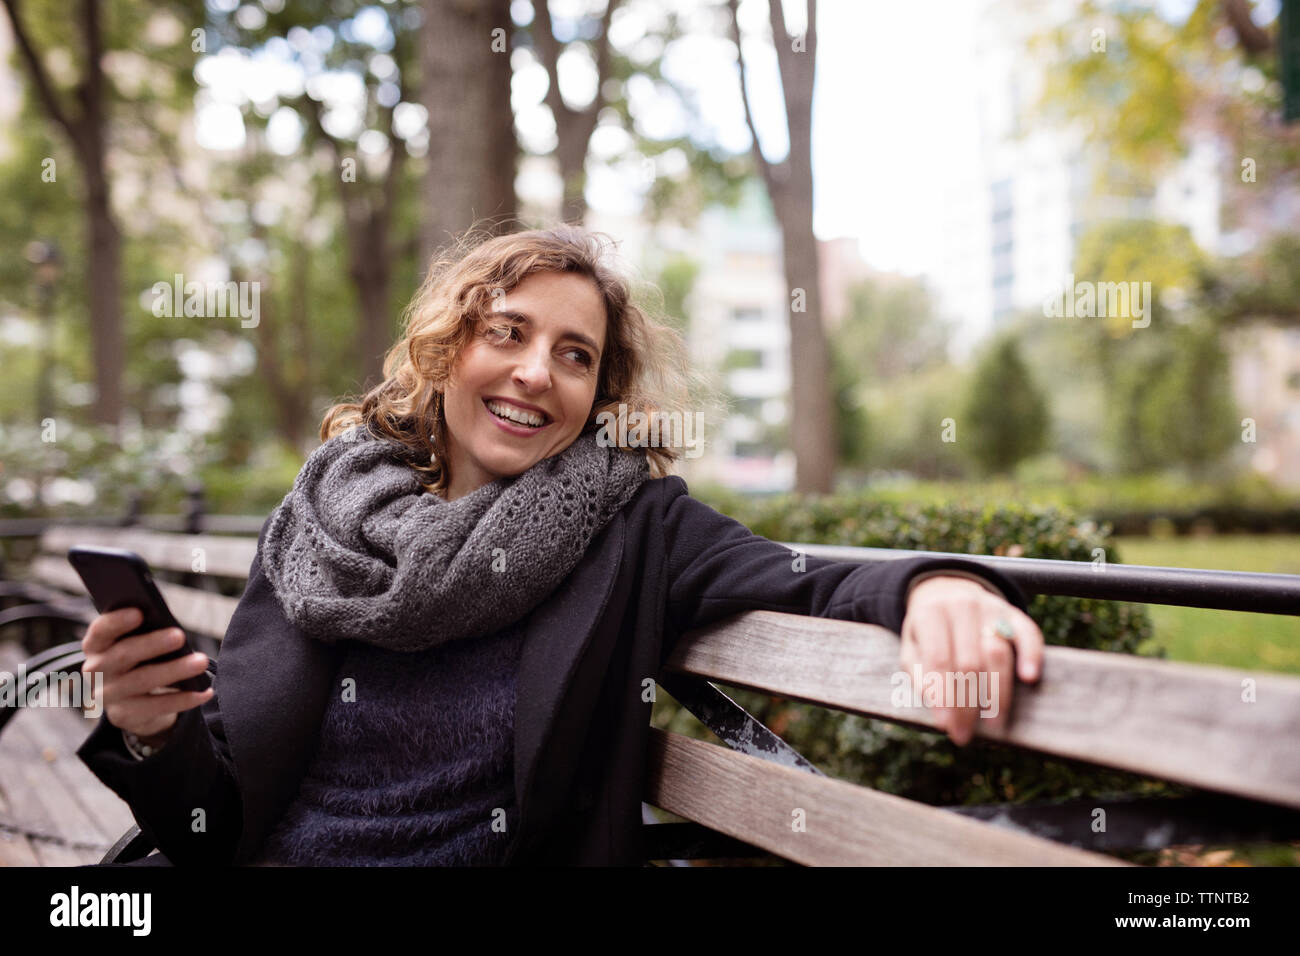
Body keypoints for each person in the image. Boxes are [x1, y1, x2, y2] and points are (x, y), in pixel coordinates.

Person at [76, 225, 1042, 867]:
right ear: (449, 352)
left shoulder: (634, 524)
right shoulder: (327, 518)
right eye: (509, 333)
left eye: (575, 355)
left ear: (597, 395)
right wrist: (152, 728)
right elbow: (213, 832)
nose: (537, 373)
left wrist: (939, 587)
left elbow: (804, 577)